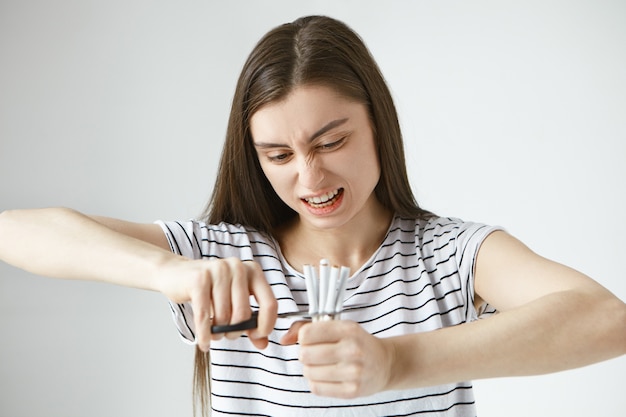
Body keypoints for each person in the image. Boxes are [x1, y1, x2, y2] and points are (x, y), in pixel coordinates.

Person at [0, 15, 624, 417]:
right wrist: (173, 274)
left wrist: (395, 363)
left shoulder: (448, 256)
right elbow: (15, 232)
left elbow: (606, 319)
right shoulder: (222, 257)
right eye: (279, 154)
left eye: (330, 142)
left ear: (378, 123)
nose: (310, 177)